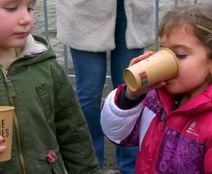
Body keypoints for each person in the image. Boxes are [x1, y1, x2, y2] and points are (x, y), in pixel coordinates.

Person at [101, 4, 212, 173]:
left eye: (180, 55)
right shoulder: (158, 99)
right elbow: (118, 133)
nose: (167, 61)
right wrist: (130, 97)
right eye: (164, 51)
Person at [0, 0, 101, 173]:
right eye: (11, 8)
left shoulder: (45, 65)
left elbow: (73, 132)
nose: (26, 19)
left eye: (30, 8)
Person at [56, 0, 155, 172]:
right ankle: (89, 164)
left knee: (133, 90)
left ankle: (131, 167)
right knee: (89, 94)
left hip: (132, 7)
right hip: (84, 9)